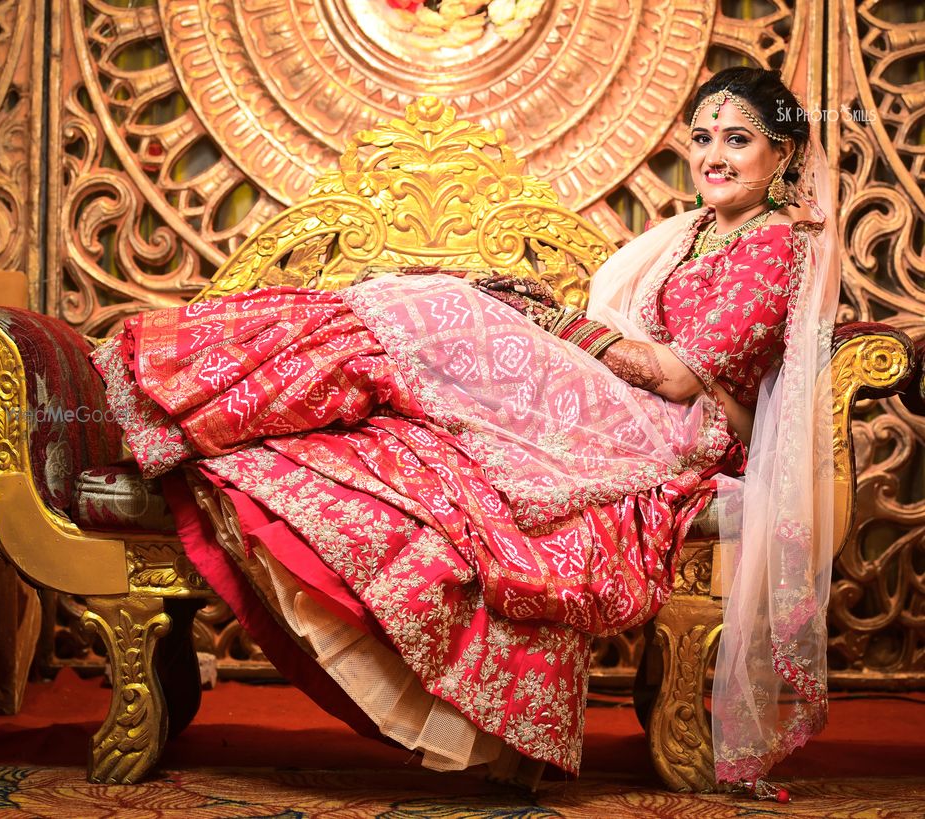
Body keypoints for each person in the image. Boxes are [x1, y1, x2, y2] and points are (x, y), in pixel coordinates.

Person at [91, 66, 839, 798]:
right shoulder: (696, 232)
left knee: (444, 312)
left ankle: (181, 383)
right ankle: (196, 393)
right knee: (431, 328)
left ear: (781, 152)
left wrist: (555, 325)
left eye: (737, 139)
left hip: (675, 426)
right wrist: (546, 322)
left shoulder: (774, 244)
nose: (713, 156)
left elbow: (676, 376)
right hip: (631, 398)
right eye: (703, 137)